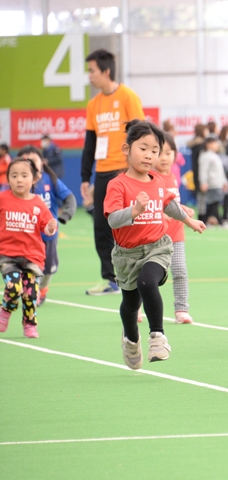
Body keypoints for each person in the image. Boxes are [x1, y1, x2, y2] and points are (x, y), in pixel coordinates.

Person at [104, 120, 205, 370]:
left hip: (157, 246)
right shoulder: (117, 184)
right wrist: (134, 210)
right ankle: (131, 339)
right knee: (130, 305)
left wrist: (189, 221)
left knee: (148, 281)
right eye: (143, 148)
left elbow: (169, 205)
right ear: (127, 149)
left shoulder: (158, 181)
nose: (149, 155)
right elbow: (114, 220)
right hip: (127, 254)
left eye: (155, 150)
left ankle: (158, 336)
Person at [81, 49, 145, 296]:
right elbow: (89, 143)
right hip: (102, 172)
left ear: (106, 71)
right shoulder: (93, 104)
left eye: (92, 70)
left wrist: (137, 169)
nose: (89, 76)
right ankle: (111, 279)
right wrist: (86, 178)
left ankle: (134, 273)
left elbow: (141, 134)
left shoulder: (128, 97)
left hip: (124, 171)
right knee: (101, 226)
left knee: (127, 226)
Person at [0, 157, 57, 338]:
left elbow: (47, 226)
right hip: (8, 255)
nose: (18, 179)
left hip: (32, 257)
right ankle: (5, 311)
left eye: (24, 175)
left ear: (34, 179)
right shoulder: (3, 199)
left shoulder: (38, 203)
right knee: (14, 287)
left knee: (31, 293)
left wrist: (49, 227)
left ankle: (30, 324)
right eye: (14, 175)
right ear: (8, 179)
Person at [16, 145, 77, 307]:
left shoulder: (50, 179)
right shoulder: (17, 184)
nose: (29, 164)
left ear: (42, 162)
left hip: (48, 235)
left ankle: (43, 288)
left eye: (33, 160)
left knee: (48, 269)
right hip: (25, 236)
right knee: (26, 268)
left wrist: (65, 215)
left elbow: (70, 197)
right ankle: (29, 292)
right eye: (24, 161)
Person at [153, 132, 198, 324]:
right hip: (154, 235)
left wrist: (184, 209)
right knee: (149, 274)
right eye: (160, 153)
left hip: (176, 232)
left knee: (180, 270)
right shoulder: (150, 178)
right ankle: (137, 306)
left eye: (169, 153)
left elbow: (173, 203)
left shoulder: (173, 176)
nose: (164, 158)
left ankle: (181, 309)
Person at [198, 135, 228, 226]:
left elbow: (220, 171)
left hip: (217, 184)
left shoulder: (215, 155)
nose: (217, 146)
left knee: (213, 203)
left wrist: (224, 181)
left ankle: (205, 221)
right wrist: (203, 182)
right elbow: (203, 170)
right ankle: (220, 222)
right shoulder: (205, 155)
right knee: (213, 203)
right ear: (208, 144)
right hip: (211, 184)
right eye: (215, 143)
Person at [187, 123, 209, 222]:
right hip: (201, 173)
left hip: (196, 173)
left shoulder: (194, 144)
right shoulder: (201, 145)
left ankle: (203, 218)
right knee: (202, 198)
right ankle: (203, 219)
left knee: (201, 198)